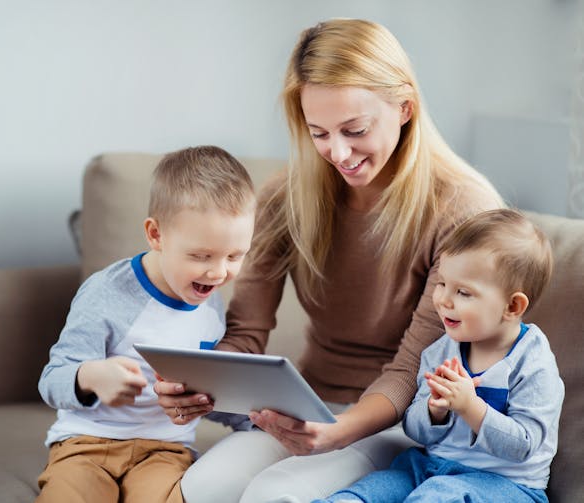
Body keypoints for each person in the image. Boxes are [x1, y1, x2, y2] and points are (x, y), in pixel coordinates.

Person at [154, 18, 505, 502]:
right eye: (319, 133)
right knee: (202, 488)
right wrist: (202, 382)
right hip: (309, 402)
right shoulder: (288, 196)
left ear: (404, 108)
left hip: (407, 418)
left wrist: (341, 430)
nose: (338, 153)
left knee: (276, 496)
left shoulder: (463, 211)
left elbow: (412, 370)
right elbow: (246, 335)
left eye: (355, 129)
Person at [35, 145, 257, 503]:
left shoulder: (210, 305)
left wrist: (261, 418)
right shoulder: (107, 293)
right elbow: (52, 380)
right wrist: (91, 376)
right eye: (200, 256)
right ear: (156, 235)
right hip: (86, 444)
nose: (218, 272)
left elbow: (208, 391)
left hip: (164, 451)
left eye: (234, 255)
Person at [317, 208, 563, 503]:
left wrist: (470, 407)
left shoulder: (532, 363)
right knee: (370, 490)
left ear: (512, 307)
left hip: (506, 486)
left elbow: (524, 445)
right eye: (442, 284)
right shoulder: (441, 350)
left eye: (463, 292)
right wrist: (434, 411)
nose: (444, 300)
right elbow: (416, 430)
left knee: (436, 496)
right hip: (431, 468)